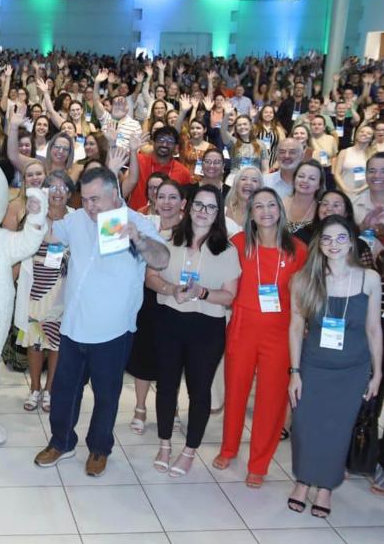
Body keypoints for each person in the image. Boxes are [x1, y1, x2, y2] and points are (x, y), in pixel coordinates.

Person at [34, 166, 169, 475]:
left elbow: (162, 259)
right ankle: (61, 441)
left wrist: (139, 240)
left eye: (96, 199)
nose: (90, 206)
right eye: (85, 199)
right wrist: (37, 213)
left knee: (106, 394)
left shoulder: (137, 222)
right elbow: (50, 236)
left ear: (114, 194)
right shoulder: (77, 219)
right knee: (65, 389)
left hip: (112, 330)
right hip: (74, 326)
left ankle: (99, 448)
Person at [287, 215, 382, 517]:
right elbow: (295, 327)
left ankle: (325, 487)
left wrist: (377, 373)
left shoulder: (369, 278)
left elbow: (373, 330)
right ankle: (303, 481)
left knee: (337, 431)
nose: (334, 244)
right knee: (305, 427)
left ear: (352, 241)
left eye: (341, 237)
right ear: (319, 244)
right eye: (327, 238)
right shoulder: (305, 279)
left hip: (352, 369)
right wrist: (295, 372)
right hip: (313, 366)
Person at [213, 188, 308, 488]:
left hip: (280, 334)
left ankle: (259, 463)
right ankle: (228, 448)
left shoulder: (297, 250)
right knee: (236, 391)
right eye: (258, 206)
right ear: (249, 213)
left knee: (271, 400)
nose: (265, 211)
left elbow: (304, 298)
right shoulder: (239, 243)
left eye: (271, 205)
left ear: (280, 210)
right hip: (242, 328)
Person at [145, 186, 241, 477]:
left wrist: (202, 293)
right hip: (169, 321)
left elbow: (229, 297)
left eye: (211, 207)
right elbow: (151, 277)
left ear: (218, 213)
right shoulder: (169, 239)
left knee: (199, 391)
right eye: (200, 204)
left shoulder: (227, 250)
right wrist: (170, 289)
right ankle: (164, 444)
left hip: (206, 328)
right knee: (166, 385)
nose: (203, 211)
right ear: (190, 206)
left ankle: (189, 451)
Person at [127, 179, 186, 436]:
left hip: (176, 300)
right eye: (161, 197)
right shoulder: (145, 226)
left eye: (173, 197)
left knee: (171, 357)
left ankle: (170, 408)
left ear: (182, 203)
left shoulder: (190, 230)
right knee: (143, 354)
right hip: (146, 300)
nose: (166, 202)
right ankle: (139, 408)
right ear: (153, 199)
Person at [15, 171, 74, 412]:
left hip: (63, 288)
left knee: (57, 342)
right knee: (35, 341)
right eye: (52, 188)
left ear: (70, 193)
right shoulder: (34, 214)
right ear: (45, 192)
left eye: (63, 188)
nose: (57, 192)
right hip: (35, 288)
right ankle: (35, 388)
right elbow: (20, 244)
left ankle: (50, 390)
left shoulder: (76, 218)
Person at [127, 126, 192, 211]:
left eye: (170, 141)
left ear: (176, 147)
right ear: (153, 143)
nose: (164, 144)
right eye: (160, 140)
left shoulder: (184, 172)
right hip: (136, 217)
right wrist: (112, 144)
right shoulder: (138, 160)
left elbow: (184, 203)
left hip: (167, 221)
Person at [283, 160, 325, 233]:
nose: (305, 180)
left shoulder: (322, 211)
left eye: (312, 178)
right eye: (301, 176)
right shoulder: (280, 205)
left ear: (319, 185)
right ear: (294, 179)